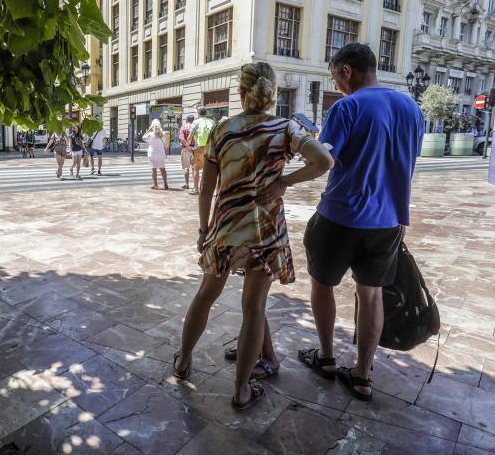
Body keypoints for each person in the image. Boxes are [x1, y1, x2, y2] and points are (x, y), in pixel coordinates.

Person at [172, 62, 333, 410]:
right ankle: (242, 391)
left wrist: (203, 231)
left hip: (227, 228)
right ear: (273, 93)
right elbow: (323, 160)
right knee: (253, 308)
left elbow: (205, 192)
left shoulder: (222, 131)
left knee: (205, 296)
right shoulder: (285, 128)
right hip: (265, 232)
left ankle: (183, 362)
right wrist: (283, 183)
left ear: (242, 93)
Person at [297, 43, 424, 402]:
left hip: (340, 216)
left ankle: (325, 357)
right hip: (387, 222)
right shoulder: (412, 108)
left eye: (336, 77)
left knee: (322, 285)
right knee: (371, 296)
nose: (336, 85)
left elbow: (323, 159)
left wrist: (285, 179)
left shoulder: (347, 107)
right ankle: (363, 375)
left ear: (347, 71)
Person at [189, 106, 215, 195]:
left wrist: (189, 147)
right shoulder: (211, 121)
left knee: (196, 168)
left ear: (198, 113)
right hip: (210, 147)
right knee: (207, 169)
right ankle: (207, 189)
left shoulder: (196, 122)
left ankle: (196, 189)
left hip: (199, 147)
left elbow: (190, 136)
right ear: (206, 113)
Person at [143, 119, 169, 190]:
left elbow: (143, 137)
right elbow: (166, 146)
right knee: (163, 169)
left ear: (152, 126)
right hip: (161, 154)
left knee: (153, 169)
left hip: (152, 154)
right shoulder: (164, 134)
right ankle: (165, 184)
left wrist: (149, 130)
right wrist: (166, 154)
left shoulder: (150, 135)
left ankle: (155, 184)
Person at [179, 114, 195, 190]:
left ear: (186, 120)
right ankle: (195, 185)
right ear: (193, 120)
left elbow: (182, 139)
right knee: (194, 168)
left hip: (185, 149)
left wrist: (187, 146)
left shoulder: (183, 127)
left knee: (186, 167)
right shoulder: (194, 127)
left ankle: (187, 184)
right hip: (194, 149)